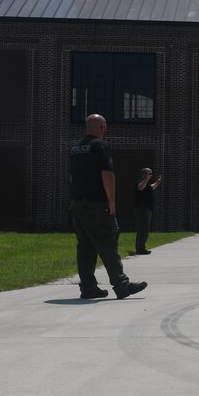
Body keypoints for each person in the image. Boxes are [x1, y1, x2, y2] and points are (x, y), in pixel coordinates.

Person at [68, 114, 146, 300]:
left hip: (78, 205)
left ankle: (88, 288)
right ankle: (122, 285)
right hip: (97, 205)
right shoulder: (102, 146)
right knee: (108, 243)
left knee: (85, 246)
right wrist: (111, 202)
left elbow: (72, 177)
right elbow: (107, 174)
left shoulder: (75, 149)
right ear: (102, 127)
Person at [131, 167, 162, 255]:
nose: (150, 175)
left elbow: (150, 188)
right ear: (143, 174)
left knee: (144, 229)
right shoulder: (140, 181)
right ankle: (140, 248)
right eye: (148, 173)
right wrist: (146, 180)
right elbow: (140, 188)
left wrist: (157, 182)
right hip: (142, 209)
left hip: (146, 209)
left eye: (151, 174)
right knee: (143, 229)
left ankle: (141, 247)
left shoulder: (146, 184)